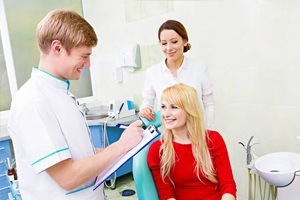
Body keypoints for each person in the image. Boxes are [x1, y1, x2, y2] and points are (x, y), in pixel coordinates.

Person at [7, 9, 143, 200]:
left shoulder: (61, 93)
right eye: (84, 56)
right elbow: (67, 176)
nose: (88, 64)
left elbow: (80, 154)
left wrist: (130, 147)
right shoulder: (33, 100)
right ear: (57, 48)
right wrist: (121, 146)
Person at [147, 83, 236, 200]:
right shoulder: (158, 150)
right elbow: (166, 195)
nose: (166, 114)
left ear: (189, 110)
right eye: (163, 107)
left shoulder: (213, 139)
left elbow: (228, 184)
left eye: (174, 107)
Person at [139, 19, 215, 128]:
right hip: (167, 135)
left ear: (184, 41)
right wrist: (145, 110)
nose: (169, 48)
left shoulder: (199, 68)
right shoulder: (153, 73)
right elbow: (147, 103)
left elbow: (209, 104)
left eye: (174, 42)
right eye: (164, 43)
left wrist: (208, 131)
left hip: (196, 133)